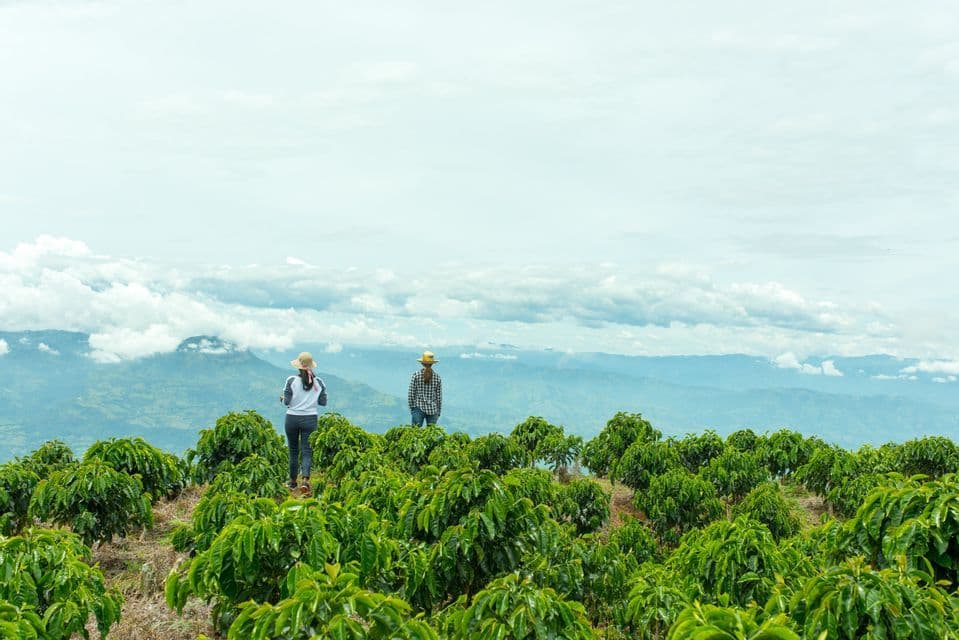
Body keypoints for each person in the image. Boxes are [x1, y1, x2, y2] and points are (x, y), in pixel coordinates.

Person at [280, 351, 327, 494]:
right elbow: (323, 402)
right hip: (310, 419)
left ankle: (293, 483)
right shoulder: (319, 383)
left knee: (293, 451)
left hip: (292, 418)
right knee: (307, 451)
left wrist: (283, 399)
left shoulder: (291, 380)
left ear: (299, 366)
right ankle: (305, 481)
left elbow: (287, 401)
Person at [408, 351, 442, 427]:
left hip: (418, 408)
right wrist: (438, 411)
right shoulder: (437, 377)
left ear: (422, 363)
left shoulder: (416, 375)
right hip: (433, 410)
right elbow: (439, 398)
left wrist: (412, 408)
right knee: (431, 435)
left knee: (415, 434)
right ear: (432, 363)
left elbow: (411, 394)